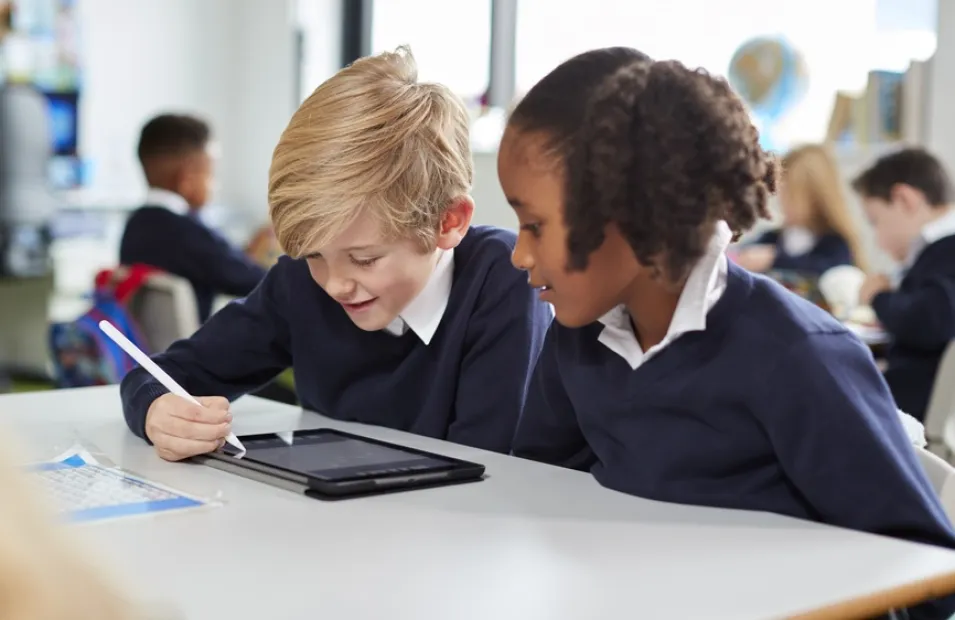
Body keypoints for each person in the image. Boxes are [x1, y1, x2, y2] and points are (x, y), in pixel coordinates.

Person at [500, 47, 955, 619]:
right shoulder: (580, 338)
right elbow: (536, 492)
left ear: (635, 212)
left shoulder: (797, 357)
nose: (519, 254)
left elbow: (926, 574)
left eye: (535, 226)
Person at [119, 47, 551, 461]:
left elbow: (485, 467)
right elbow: (156, 375)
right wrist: (157, 410)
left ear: (447, 222)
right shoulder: (299, 283)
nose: (335, 285)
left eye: (365, 259)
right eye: (313, 256)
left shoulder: (503, 276)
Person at [119, 113, 267, 323]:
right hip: (194, 344)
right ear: (187, 179)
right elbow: (258, 282)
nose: (215, 184)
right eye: (211, 173)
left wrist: (245, 254)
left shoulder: (135, 225)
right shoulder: (189, 233)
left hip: (145, 343)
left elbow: (220, 265)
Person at [853, 148, 955, 421]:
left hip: (918, 414)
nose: (877, 239)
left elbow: (931, 320)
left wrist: (879, 296)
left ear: (904, 199)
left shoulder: (947, 249)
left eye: (875, 221)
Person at [734, 143, 866, 276]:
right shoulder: (772, 238)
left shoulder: (836, 246)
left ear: (815, 197)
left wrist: (775, 261)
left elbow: (829, 271)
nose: (782, 202)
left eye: (790, 195)